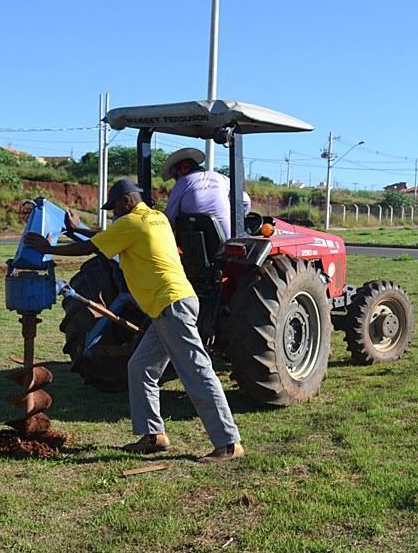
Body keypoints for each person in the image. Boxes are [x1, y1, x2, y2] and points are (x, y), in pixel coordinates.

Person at [23, 178, 244, 463]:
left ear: (127, 201)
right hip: (170, 304)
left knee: (197, 372)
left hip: (170, 305)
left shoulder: (131, 224)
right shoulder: (157, 218)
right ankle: (153, 435)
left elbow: (92, 247)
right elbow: (109, 234)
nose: (114, 214)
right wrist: (77, 229)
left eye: (115, 208)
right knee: (140, 367)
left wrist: (46, 248)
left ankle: (228, 443)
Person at [162, 147, 251, 241]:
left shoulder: (182, 183)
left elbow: (169, 218)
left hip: (193, 246)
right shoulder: (221, 178)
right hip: (226, 242)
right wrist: (235, 220)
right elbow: (245, 201)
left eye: (176, 176)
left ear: (183, 169)